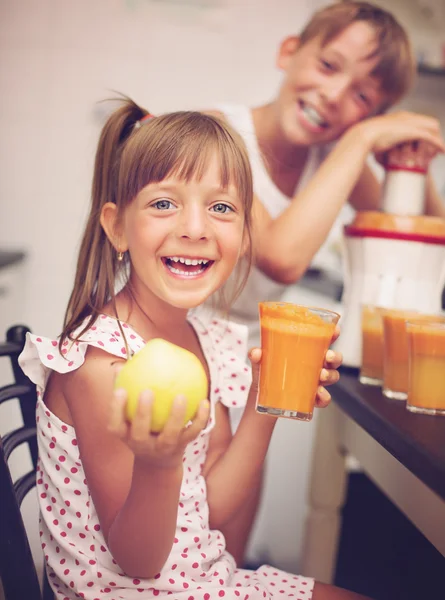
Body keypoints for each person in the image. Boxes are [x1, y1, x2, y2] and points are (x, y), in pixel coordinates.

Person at [18, 98, 372, 600]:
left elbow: (213, 509)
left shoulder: (206, 342)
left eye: (222, 208)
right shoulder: (103, 365)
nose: (195, 228)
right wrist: (159, 463)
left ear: (245, 233)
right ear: (117, 226)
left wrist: (265, 402)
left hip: (202, 582)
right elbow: (137, 562)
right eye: (164, 203)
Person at [200, 0, 445, 564]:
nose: (335, 96)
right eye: (329, 66)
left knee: (224, 559)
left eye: (362, 97)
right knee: (189, 537)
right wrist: (362, 140)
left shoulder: (333, 153)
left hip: (241, 362)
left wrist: (414, 166)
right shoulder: (217, 135)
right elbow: (280, 258)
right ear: (290, 53)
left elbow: (413, 228)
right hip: (177, 347)